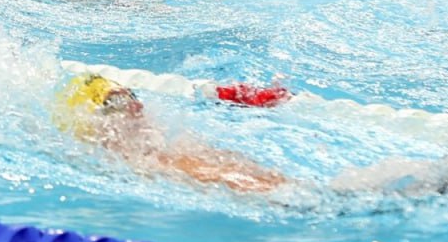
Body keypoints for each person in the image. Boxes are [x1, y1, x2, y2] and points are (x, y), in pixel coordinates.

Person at [56, 73, 288, 195]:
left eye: (132, 96)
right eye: (116, 103)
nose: (137, 107)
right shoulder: (153, 167)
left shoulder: (173, 150)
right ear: (95, 127)